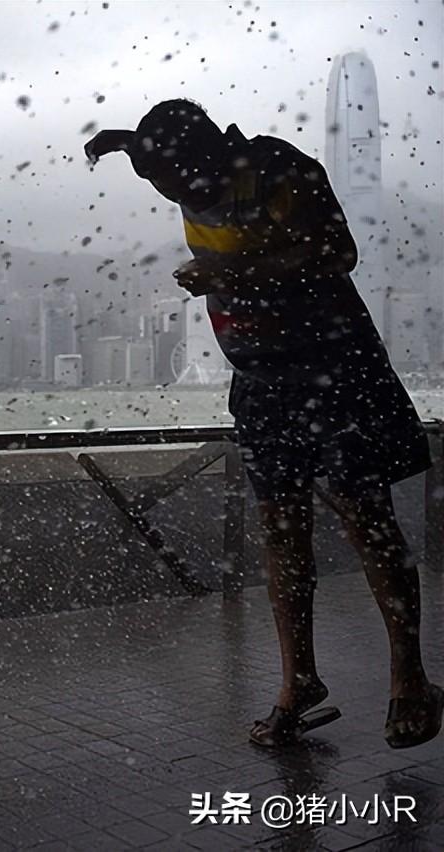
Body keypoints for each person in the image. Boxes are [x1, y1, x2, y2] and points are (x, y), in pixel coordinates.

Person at [85, 99, 443, 749]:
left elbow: (337, 252)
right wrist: (116, 144)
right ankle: (297, 682)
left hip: (335, 374)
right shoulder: (184, 170)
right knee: (281, 535)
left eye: (177, 184)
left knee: (369, 524)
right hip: (263, 384)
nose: (178, 197)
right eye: (159, 188)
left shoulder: (280, 170)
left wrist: (230, 271)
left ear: (205, 158)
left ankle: (409, 680)